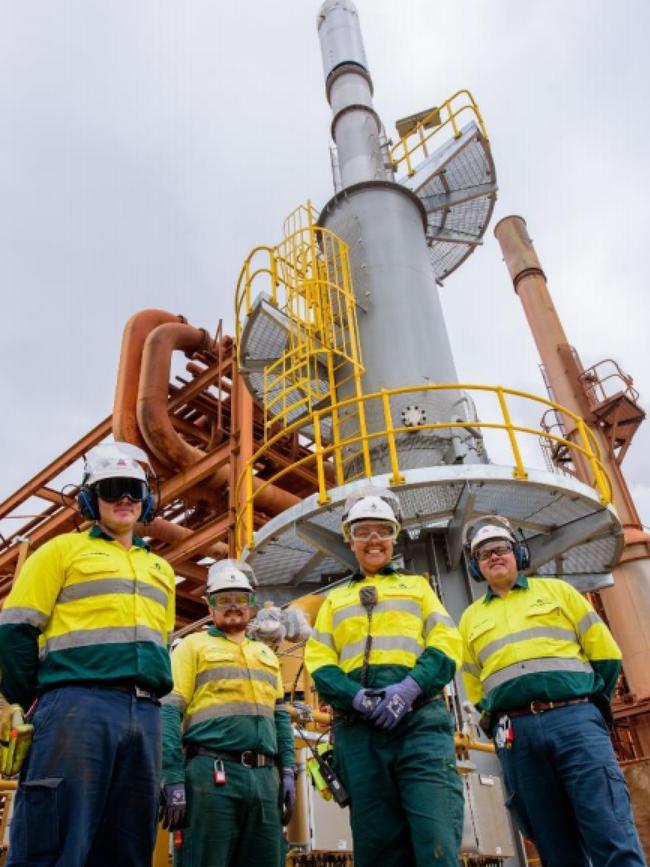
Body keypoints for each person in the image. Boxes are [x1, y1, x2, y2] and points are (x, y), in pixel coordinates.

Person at [0, 441, 176, 867]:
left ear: (147, 499)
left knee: (128, 844)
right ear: (90, 499)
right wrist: (31, 702)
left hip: (147, 712)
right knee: (56, 840)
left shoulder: (162, 570)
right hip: (76, 707)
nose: (124, 499)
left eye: (134, 489)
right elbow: (14, 630)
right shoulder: (62, 551)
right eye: (112, 488)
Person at [458, 515, 646, 867]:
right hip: (516, 735)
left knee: (610, 832)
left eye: (501, 548)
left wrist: (587, 708)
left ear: (518, 554)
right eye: (484, 554)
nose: (494, 557)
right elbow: (474, 685)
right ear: (475, 566)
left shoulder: (559, 593)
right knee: (553, 845)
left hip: (575, 720)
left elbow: (606, 656)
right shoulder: (469, 619)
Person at [304, 487, 464, 867]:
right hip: (359, 736)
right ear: (350, 539)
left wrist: (409, 689)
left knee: (436, 838)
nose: (373, 539)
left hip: (420, 727)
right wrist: (355, 697)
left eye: (382, 531)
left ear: (394, 537)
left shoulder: (419, 588)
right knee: (377, 850)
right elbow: (319, 662)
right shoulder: (335, 602)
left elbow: (446, 645)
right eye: (363, 531)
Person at [160, 559, 295, 867]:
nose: (233, 606)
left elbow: (281, 717)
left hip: (264, 779)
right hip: (211, 774)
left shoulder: (265, 654)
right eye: (223, 600)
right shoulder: (192, 646)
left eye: (241, 600)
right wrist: (172, 777)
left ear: (252, 607)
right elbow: (168, 711)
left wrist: (287, 772)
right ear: (210, 607)